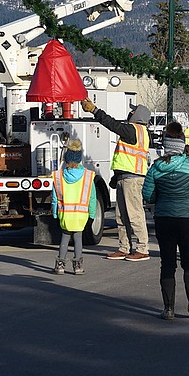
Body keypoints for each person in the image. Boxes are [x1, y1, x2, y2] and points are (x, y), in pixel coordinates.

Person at [142, 122, 189, 320]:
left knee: (167, 263)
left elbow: (148, 195)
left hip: (164, 218)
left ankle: (168, 309)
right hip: (187, 217)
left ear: (166, 145)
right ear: (182, 144)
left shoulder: (156, 168)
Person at [81, 98, 151, 262]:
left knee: (134, 215)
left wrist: (95, 111)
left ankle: (142, 248)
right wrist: (116, 176)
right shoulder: (136, 131)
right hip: (125, 177)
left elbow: (112, 124)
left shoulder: (134, 130)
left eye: (133, 111)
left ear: (138, 115)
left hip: (132, 179)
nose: (131, 112)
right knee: (122, 215)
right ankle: (124, 248)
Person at [51, 139, 97, 276]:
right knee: (78, 239)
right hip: (81, 216)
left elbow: (55, 198)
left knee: (64, 238)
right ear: (79, 160)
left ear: (66, 160)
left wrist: (55, 214)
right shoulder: (88, 177)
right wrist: (92, 214)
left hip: (65, 215)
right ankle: (77, 266)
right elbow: (92, 198)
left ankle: (60, 265)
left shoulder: (58, 177)